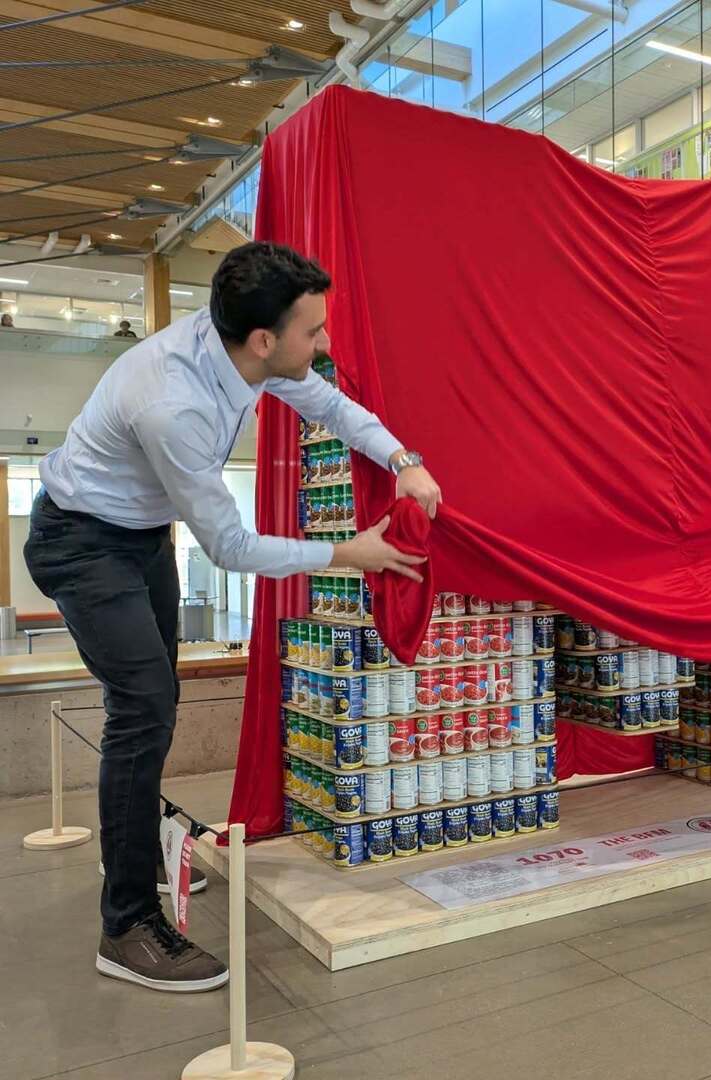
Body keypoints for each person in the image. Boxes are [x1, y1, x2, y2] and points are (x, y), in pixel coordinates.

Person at [24, 242, 441, 993]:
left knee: (156, 700)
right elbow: (230, 545)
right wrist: (351, 554)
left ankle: (135, 850)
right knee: (144, 705)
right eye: (311, 333)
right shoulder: (173, 401)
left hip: (140, 534)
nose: (322, 345)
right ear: (263, 341)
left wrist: (401, 457)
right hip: (81, 540)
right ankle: (124, 926)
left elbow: (326, 401)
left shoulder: (238, 351)